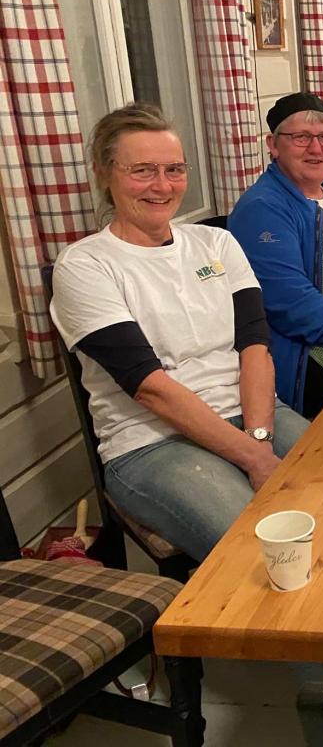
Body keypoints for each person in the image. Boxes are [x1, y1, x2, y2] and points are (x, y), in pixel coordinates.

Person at [49, 103, 309, 563]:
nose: (162, 185)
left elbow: (255, 348)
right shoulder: (85, 265)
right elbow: (150, 388)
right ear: (104, 173)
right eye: (142, 171)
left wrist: (258, 439)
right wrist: (255, 459)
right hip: (151, 443)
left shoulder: (216, 242)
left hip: (253, 414)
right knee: (268, 549)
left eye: (174, 169)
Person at [229, 92, 323, 419]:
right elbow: (291, 304)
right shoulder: (262, 209)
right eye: (301, 138)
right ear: (273, 145)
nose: (316, 148)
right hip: (322, 353)